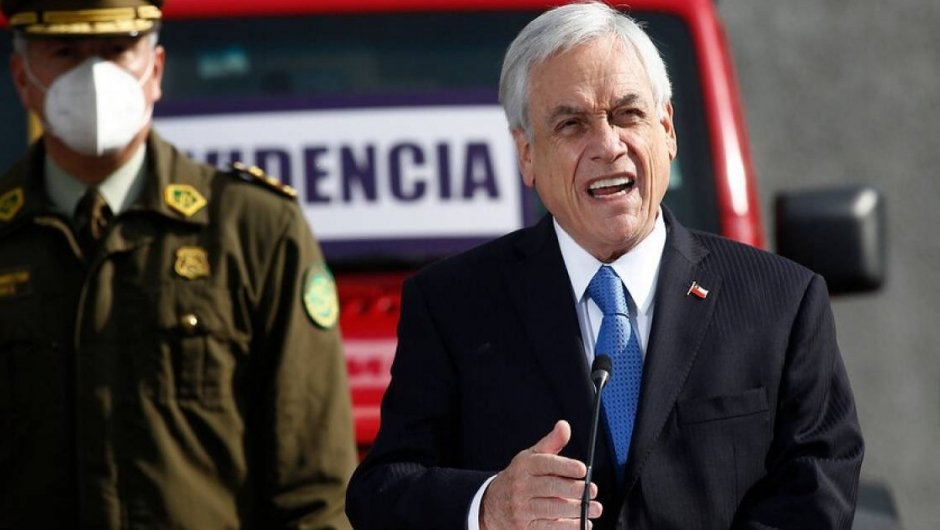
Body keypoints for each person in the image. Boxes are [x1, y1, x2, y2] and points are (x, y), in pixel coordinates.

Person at [345, 2, 864, 529]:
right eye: (571, 124)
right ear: (526, 154)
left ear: (667, 130)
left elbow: (817, 487)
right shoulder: (452, 305)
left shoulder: (781, 300)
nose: (607, 145)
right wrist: (491, 505)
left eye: (627, 114)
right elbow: (381, 494)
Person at [0, 1, 356, 528]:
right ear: (23, 79)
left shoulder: (254, 230)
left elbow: (314, 486)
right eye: (66, 52)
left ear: (156, 70)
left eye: (118, 50)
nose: (94, 76)